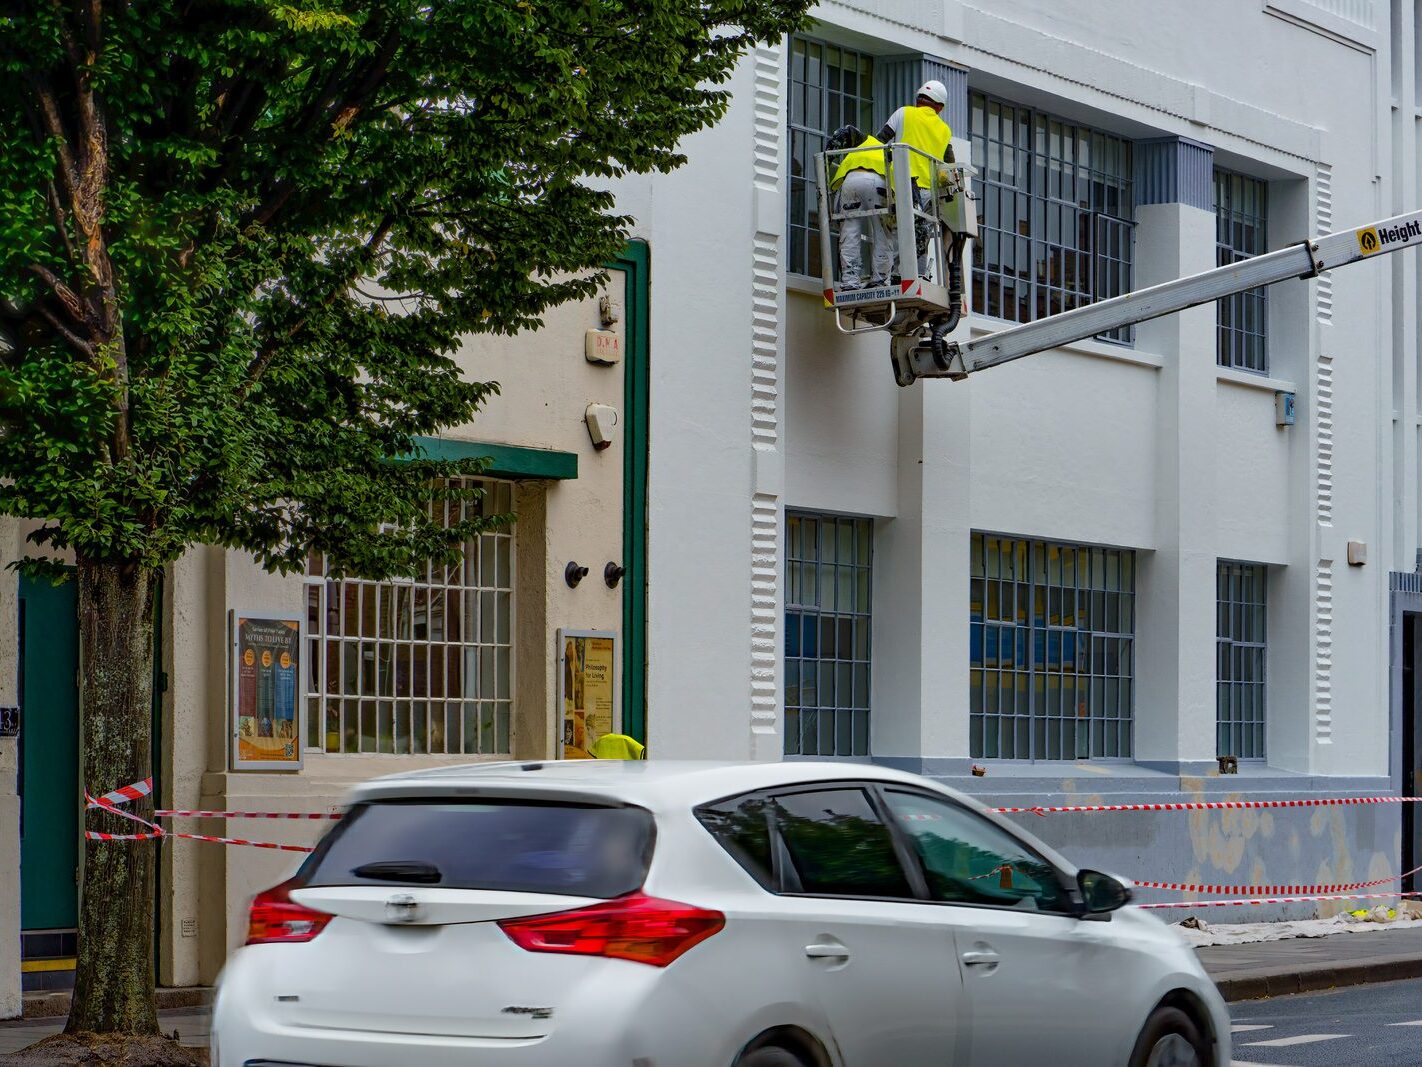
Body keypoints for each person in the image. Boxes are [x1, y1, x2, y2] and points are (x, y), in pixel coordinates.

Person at [875, 80, 954, 277]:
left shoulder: (904, 112)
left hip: (899, 185)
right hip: (927, 194)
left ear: (918, 99)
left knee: (893, 232)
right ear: (940, 107)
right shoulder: (944, 130)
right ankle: (917, 276)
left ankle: (889, 275)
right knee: (920, 234)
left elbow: (879, 140)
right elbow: (949, 164)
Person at [826, 125, 893, 290]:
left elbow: (845, 131)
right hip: (878, 181)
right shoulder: (891, 154)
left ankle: (849, 282)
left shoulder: (865, 143)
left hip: (851, 181)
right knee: (882, 232)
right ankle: (880, 280)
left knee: (849, 232)